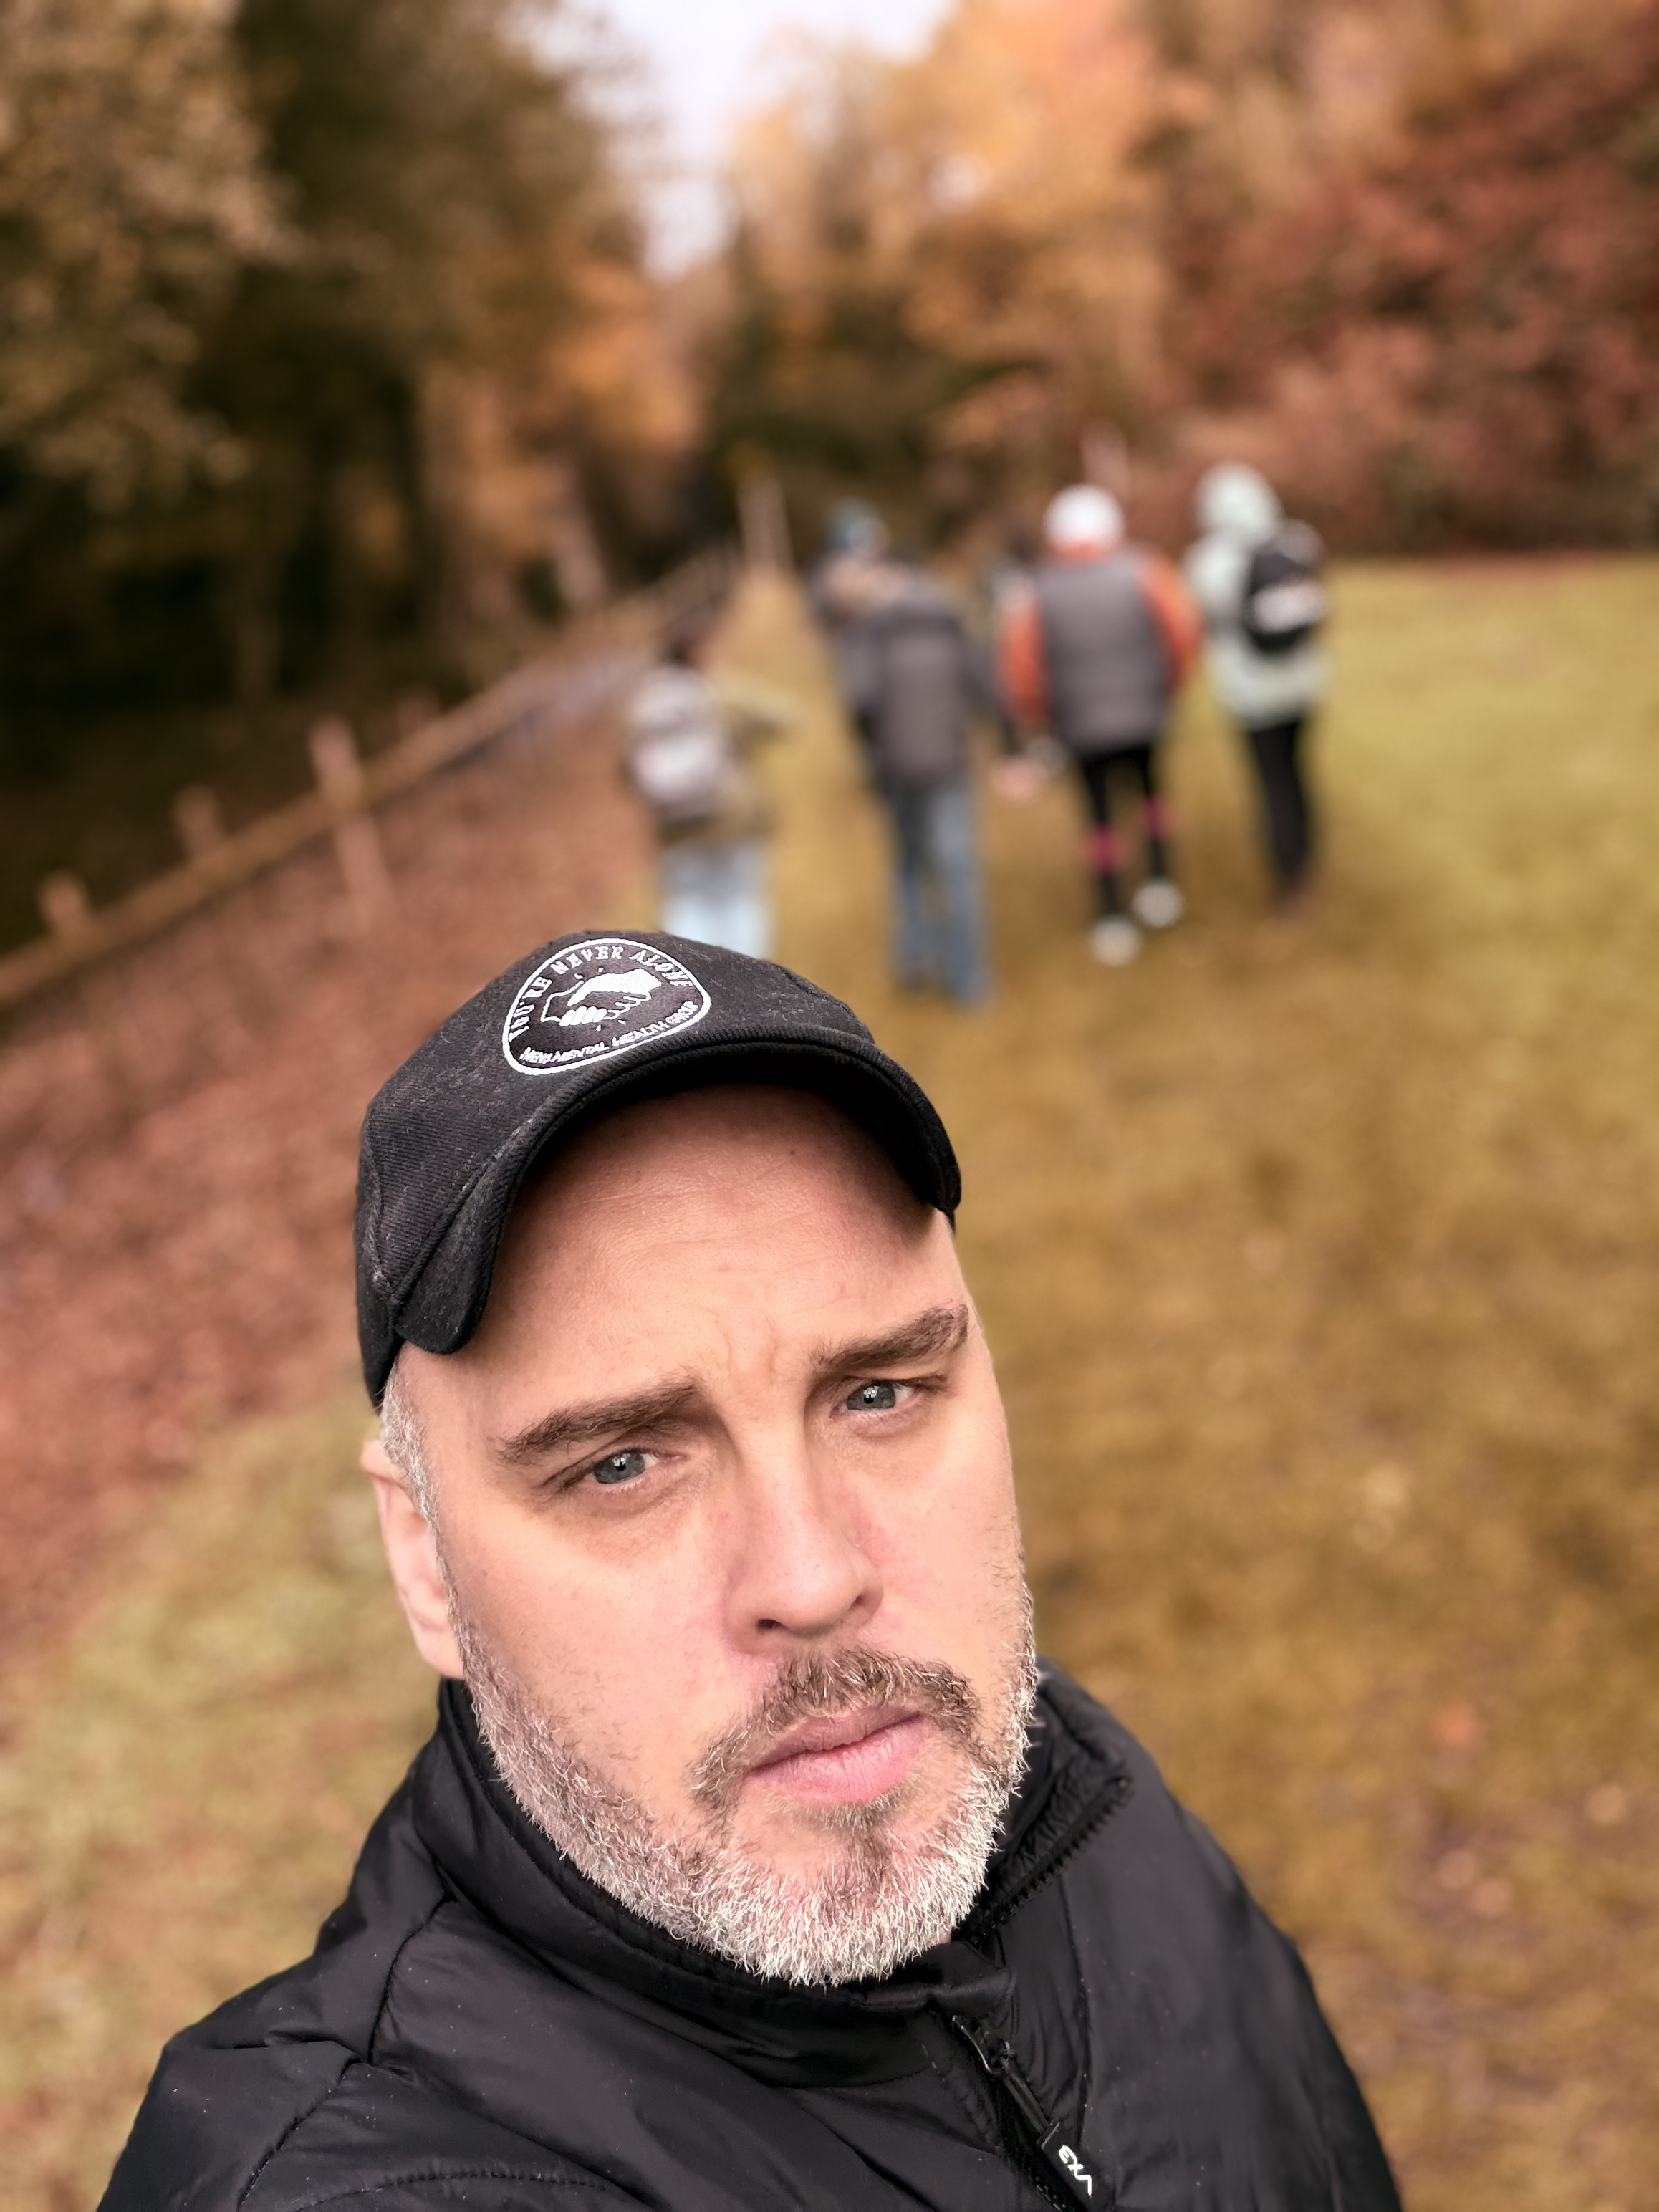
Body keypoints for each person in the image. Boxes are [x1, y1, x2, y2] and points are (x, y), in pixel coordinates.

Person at [105, 929, 1402, 2212]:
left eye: (880, 1390)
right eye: (620, 1465)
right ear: (425, 1559)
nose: (815, 1574)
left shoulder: (1084, 1801)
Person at [999, 486, 1201, 967]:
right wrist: (1167, 687)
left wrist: (1038, 714)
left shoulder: (1038, 586)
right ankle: (1159, 883)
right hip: (1145, 713)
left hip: (1079, 724)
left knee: (1099, 816)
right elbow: (1181, 631)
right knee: (1151, 794)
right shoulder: (1145, 569)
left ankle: (1112, 915)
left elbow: (1021, 663)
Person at [840, 559, 1015, 1004]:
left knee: (909, 862)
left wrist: (872, 749)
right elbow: (986, 688)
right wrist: (1008, 741)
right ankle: (969, 979)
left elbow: (859, 699)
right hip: (948, 763)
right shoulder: (951, 624)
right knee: (958, 869)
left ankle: (915, 961)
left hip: (896, 767)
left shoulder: (872, 630)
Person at [1184, 463, 1329, 907]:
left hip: (1250, 692)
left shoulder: (1208, 563)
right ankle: (1308, 855)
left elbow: (1202, 619)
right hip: (1304, 683)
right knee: (1298, 771)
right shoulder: (1299, 540)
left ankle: (1288, 875)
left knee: (1272, 782)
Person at [625, 615, 790, 958]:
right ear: (701, 652)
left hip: (674, 827)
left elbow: (627, 770)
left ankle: (702, 986)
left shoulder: (640, 704)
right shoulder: (719, 692)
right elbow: (782, 718)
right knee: (739, 900)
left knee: (687, 903)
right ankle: (748, 984)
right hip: (730, 818)